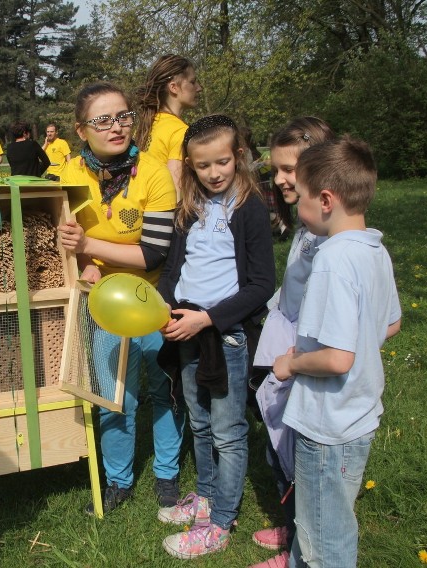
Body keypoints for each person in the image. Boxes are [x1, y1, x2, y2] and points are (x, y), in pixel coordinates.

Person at [273, 137, 401, 568]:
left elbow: (335, 358)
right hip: (358, 413)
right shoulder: (374, 248)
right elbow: (392, 323)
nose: (298, 205)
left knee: (325, 542)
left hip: (328, 426)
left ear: (325, 199)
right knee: (320, 523)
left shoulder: (332, 259)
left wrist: (292, 362)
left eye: (303, 196)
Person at [57, 82, 184, 513]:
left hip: (156, 298)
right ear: (81, 130)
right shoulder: (67, 176)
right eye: (104, 120)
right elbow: (57, 243)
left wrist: (88, 248)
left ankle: (167, 474)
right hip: (103, 303)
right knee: (115, 395)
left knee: (165, 390)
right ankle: (118, 480)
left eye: (124, 116)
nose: (117, 127)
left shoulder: (154, 173)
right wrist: (81, 265)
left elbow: (154, 251)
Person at [156, 115, 275, 559]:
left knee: (227, 430)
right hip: (185, 328)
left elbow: (261, 285)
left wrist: (207, 321)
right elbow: (173, 271)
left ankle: (222, 520)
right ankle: (205, 498)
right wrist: (164, 308)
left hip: (224, 336)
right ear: (190, 166)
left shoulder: (250, 210)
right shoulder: (190, 207)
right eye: (202, 165)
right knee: (200, 422)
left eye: (221, 162)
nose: (213, 173)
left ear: (238, 156)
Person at [247, 117, 336, 568]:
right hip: (289, 358)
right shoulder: (306, 226)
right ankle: (296, 529)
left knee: (308, 462)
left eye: (289, 169)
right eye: (276, 169)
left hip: (309, 367)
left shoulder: (337, 243)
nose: (279, 179)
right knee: (280, 449)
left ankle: (305, 551)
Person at [135, 54, 202, 194]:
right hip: (162, 212)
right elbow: (174, 192)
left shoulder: (145, 127)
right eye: (192, 82)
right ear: (173, 87)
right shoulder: (180, 132)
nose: (199, 88)